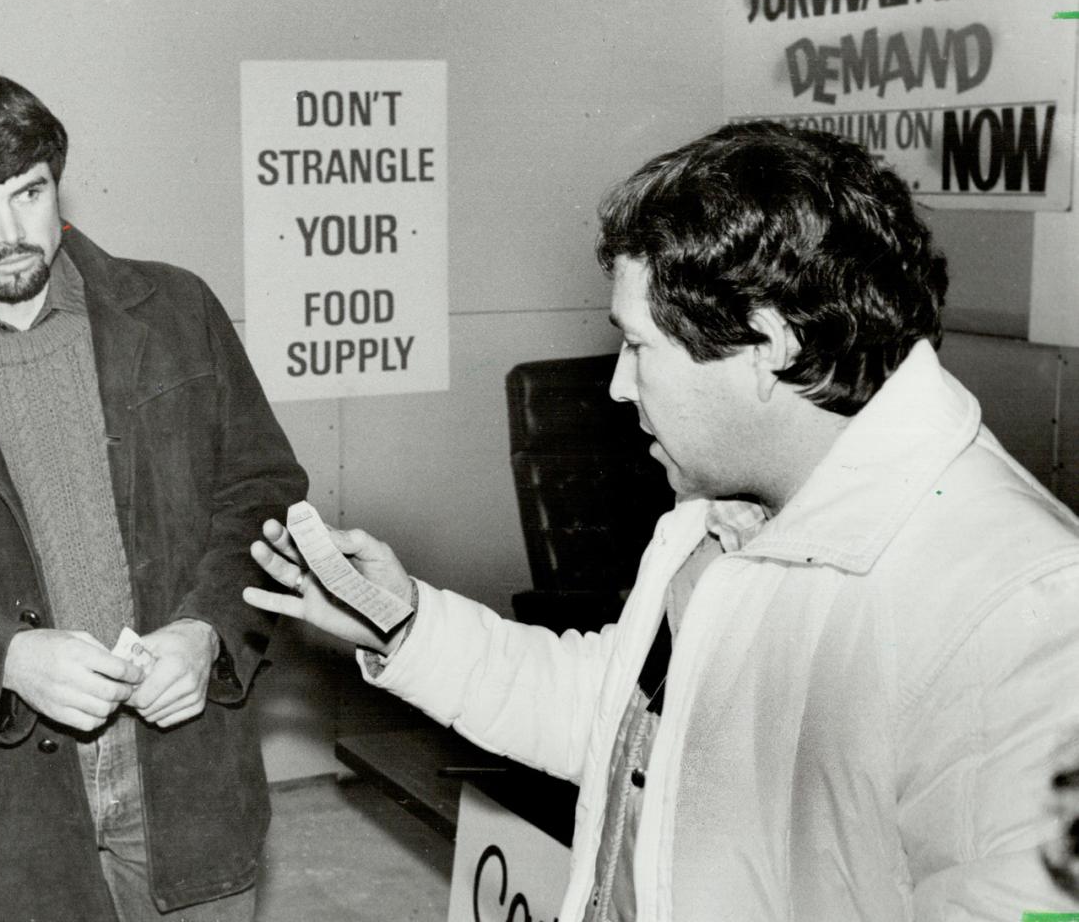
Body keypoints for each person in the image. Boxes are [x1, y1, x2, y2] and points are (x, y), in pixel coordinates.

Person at [247, 121, 1079, 921]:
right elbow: (616, 721)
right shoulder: (718, 517)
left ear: (768, 344)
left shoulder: (1023, 611)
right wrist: (405, 626)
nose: (616, 386)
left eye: (638, 347)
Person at [0, 72, 307, 922]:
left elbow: (263, 498)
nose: (10, 232)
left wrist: (207, 635)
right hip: (9, 798)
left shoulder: (178, 312)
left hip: (184, 765)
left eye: (28, 193)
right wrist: (5, 661)